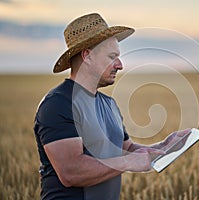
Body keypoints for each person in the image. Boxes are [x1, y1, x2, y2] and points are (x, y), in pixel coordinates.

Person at [34, 13, 190, 200]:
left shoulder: (109, 104)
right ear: (87, 56)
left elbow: (127, 148)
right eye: (112, 56)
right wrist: (127, 162)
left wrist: (163, 147)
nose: (120, 65)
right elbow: (71, 172)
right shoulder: (58, 104)